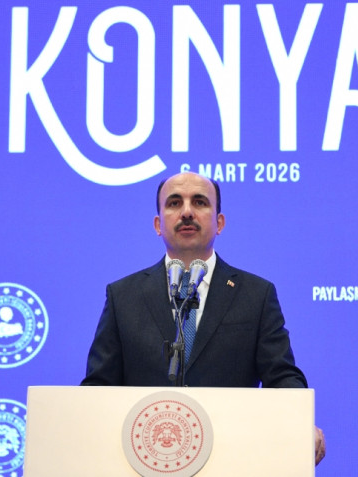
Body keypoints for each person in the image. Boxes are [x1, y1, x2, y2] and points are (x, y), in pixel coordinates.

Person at [81, 172, 326, 465]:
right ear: (158, 225)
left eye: (199, 202)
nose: (187, 212)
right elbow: (98, 387)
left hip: (232, 458)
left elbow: (282, 376)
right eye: (174, 203)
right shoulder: (123, 295)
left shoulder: (255, 294)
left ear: (219, 223)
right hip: (143, 461)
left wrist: (299, 422)